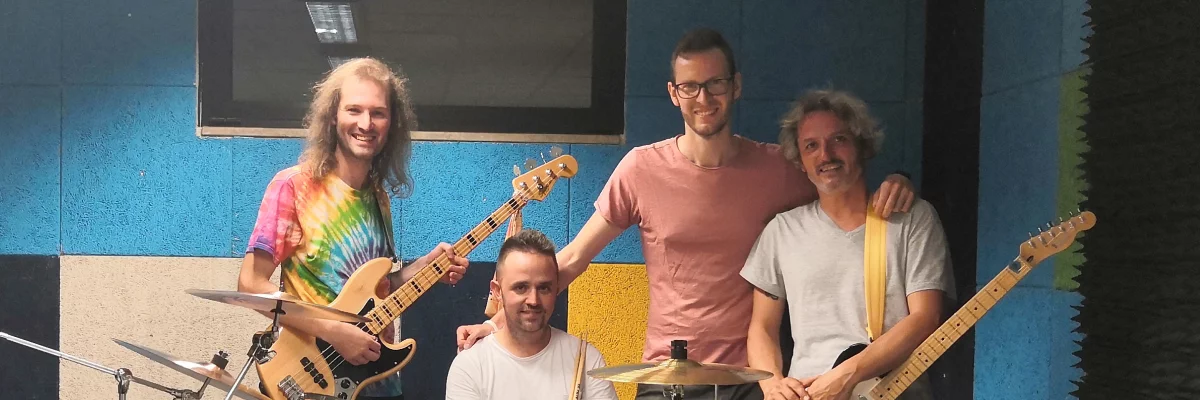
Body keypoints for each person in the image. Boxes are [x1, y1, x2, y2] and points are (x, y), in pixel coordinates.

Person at [456, 29, 917, 400]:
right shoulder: (641, 169)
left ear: (736, 86)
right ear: (673, 94)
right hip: (667, 376)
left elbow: (839, 181)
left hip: (750, 380)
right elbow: (573, 258)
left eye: (716, 83)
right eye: (690, 86)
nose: (704, 97)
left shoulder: (778, 168)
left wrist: (899, 180)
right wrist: (497, 323)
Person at [238, 57, 470, 400]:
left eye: (378, 113)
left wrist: (424, 268)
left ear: (392, 123)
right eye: (354, 110)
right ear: (333, 115)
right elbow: (250, 285)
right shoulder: (294, 187)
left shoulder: (378, 199)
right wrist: (333, 332)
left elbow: (377, 290)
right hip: (313, 382)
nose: (366, 123)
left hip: (379, 384)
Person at [741, 89, 954, 400]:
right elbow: (762, 327)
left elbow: (925, 318)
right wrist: (773, 384)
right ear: (800, 161)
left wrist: (847, 374)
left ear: (862, 145)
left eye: (838, 139)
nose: (825, 155)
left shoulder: (912, 220)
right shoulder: (782, 231)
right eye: (811, 146)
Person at [445, 229, 618, 400]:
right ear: (497, 291)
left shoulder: (586, 358)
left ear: (556, 289)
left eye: (544, 288)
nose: (534, 300)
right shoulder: (470, 366)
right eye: (521, 287)